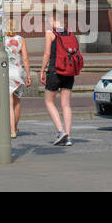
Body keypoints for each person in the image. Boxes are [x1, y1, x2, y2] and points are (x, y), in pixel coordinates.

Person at [0, 18, 32, 139]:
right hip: (18, 74)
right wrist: (28, 75)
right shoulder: (21, 40)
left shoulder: (0, 39)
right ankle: (15, 127)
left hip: (5, 72)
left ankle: (12, 130)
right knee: (17, 101)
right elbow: (25, 59)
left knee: (9, 103)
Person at [40, 8, 75, 146]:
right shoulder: (69, 32)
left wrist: (42, 70)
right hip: (69, 72)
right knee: (66, 105)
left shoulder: (50, 33)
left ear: (53, 19)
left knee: (49, 101)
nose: (47, 22)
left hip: (55, 71)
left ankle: (61, 131)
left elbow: (47, 54)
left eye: (49, 19)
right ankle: (68, 136)